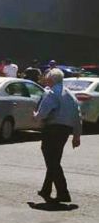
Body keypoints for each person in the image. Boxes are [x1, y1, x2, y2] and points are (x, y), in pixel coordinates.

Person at [34, 69, 82, 203]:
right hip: (65, 131)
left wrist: (35, 116)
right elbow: (77, 117)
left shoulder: (51, 93)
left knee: (52, 161)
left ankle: (63, 192)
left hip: (52, 128)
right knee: (54, 159)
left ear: (51, 80)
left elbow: (43, 113)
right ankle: (46, 189)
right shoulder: (71, 95)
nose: (45, 80)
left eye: (47, 78)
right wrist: (77, 135)